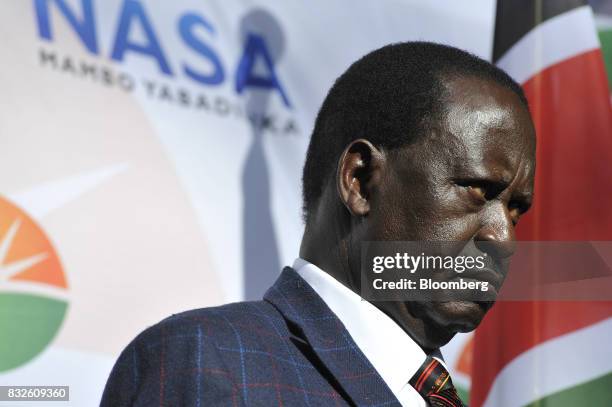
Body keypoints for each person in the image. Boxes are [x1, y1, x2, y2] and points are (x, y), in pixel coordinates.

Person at [101, 42, 535, 407]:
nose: (504, 238)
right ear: (361, 181)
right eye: (478, 190)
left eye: (517, 209)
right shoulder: (207, 362)